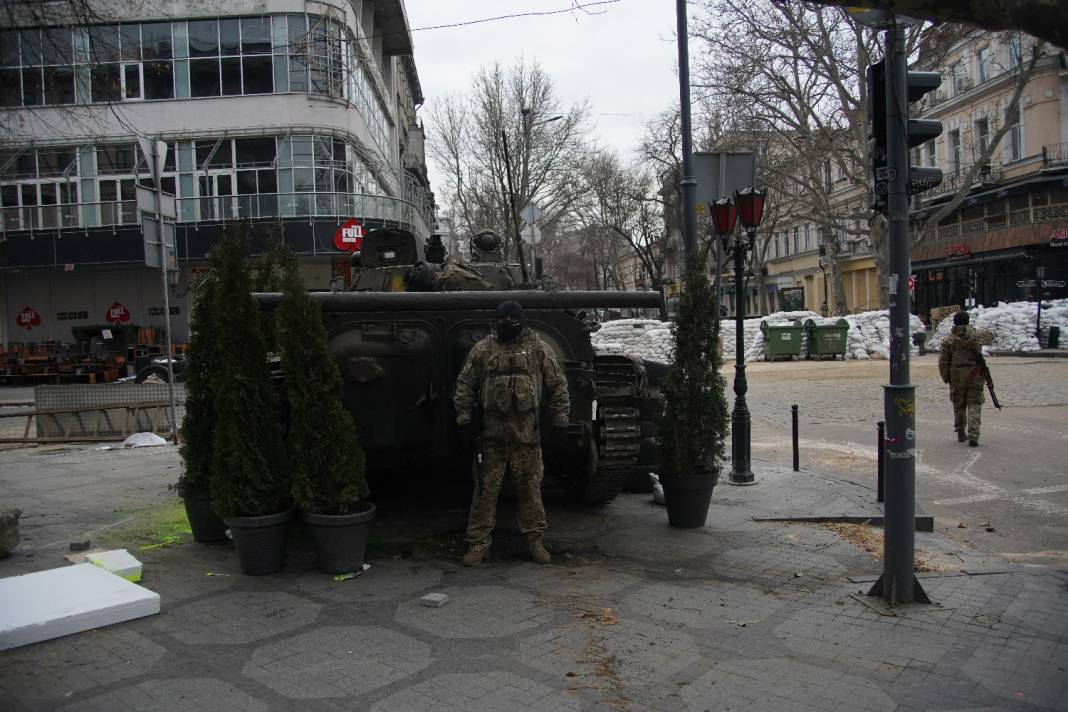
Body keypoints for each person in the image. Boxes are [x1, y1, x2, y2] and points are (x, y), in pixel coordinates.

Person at [453, 300, 570, 566]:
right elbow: (464, 385)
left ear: (521, 322)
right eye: (502, 321)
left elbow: (558, 386)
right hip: (491, 439)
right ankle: (478, 544)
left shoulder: (539, 349)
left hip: (527, 439)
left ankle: (534, 541)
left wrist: (561, 423)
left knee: (530, 492)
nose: (506, 326)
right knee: (484, 494)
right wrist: (464, 420)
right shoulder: (483, 350)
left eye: (511, 322)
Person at [938, 310, 984, 446]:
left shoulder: (949, 340)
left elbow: (943, 362)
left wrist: (946, 377)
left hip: (957, 375)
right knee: (974, 404)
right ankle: (974, 434)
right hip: (975, 374)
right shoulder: (977, 336)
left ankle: (960, 432)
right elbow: (991, 336)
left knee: (959, 404)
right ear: (968, 321)